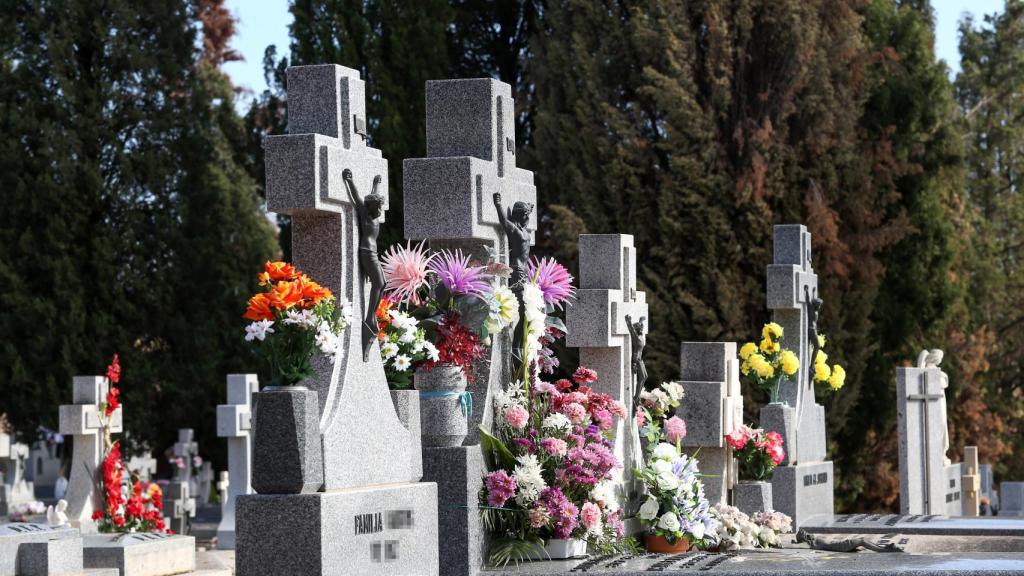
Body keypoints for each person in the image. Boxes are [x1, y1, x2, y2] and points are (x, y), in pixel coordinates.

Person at [343, 169, 385, 361]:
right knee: (379, 283)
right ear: (371, 207)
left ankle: (371, 316)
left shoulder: (374, 215)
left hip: (373, 253)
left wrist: (376, 183)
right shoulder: (365, 213)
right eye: (378, 206)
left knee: (381, 283)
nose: (380, 210)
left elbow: (371, 193)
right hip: (366, 253)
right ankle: (370, 317)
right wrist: (349, 180)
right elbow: (357, 196)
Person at [493, 192, 533, 374]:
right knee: (524, 311)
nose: (528, 219)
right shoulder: (517, 231)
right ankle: (515, 346)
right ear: (521, 216)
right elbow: (503, 221)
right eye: (526, 216)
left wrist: (528, 208)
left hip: (523, 272)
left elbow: (525, 214)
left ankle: (517, 345)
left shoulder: (525, 230)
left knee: (527, 313)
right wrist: (498, 204)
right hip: (517, 271)